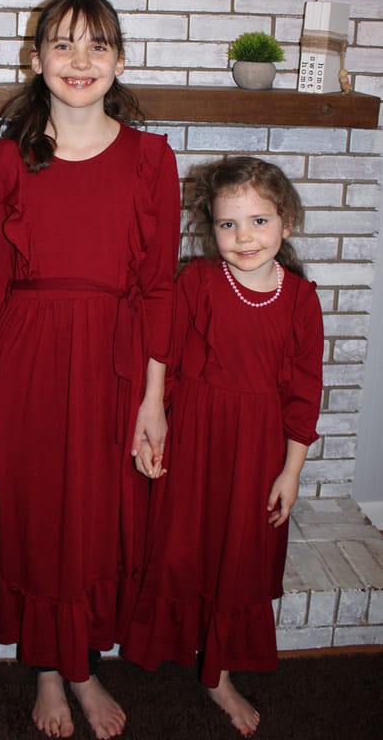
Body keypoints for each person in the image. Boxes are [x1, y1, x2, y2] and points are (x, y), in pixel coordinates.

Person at [0, 0, 180, 739]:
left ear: (119, 62)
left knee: (94, 518)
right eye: (62, 46)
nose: (79, 61)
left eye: (97, 46)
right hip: (26, 358)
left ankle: (82, 663)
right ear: (36, 61)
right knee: (35, 516)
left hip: (114, 362)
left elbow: (159, 287)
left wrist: (152, 401)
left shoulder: (151, 158)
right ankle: (45, 670)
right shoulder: (4, 162)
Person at [123, 156, 324, 737]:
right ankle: (177, 643)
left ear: (286, 222)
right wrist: (152, 422)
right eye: (228, 225)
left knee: (240, 556)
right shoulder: (199, 282)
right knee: (186, 544)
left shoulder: (301, 300)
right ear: (210, 228)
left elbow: (304, 395)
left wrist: (291, 473)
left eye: (259, 222)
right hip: (197, 438)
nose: (244, 238)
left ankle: (219, 673)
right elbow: (167, 361)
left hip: (259, 450)